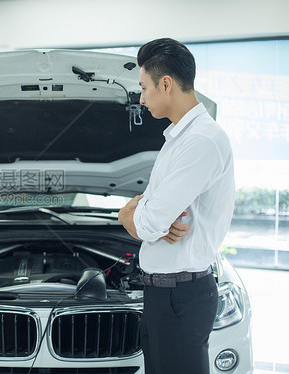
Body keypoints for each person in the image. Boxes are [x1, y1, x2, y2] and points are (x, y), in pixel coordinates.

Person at [118, 38, 235, 374]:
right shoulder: (178, 138)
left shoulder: (200, 141)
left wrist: (127, 215)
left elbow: (150, 220)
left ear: (165, 83)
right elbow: (155, 217)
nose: (140, 98)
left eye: (143, 87)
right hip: (164, 295)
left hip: (181, 296)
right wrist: (151, 220)